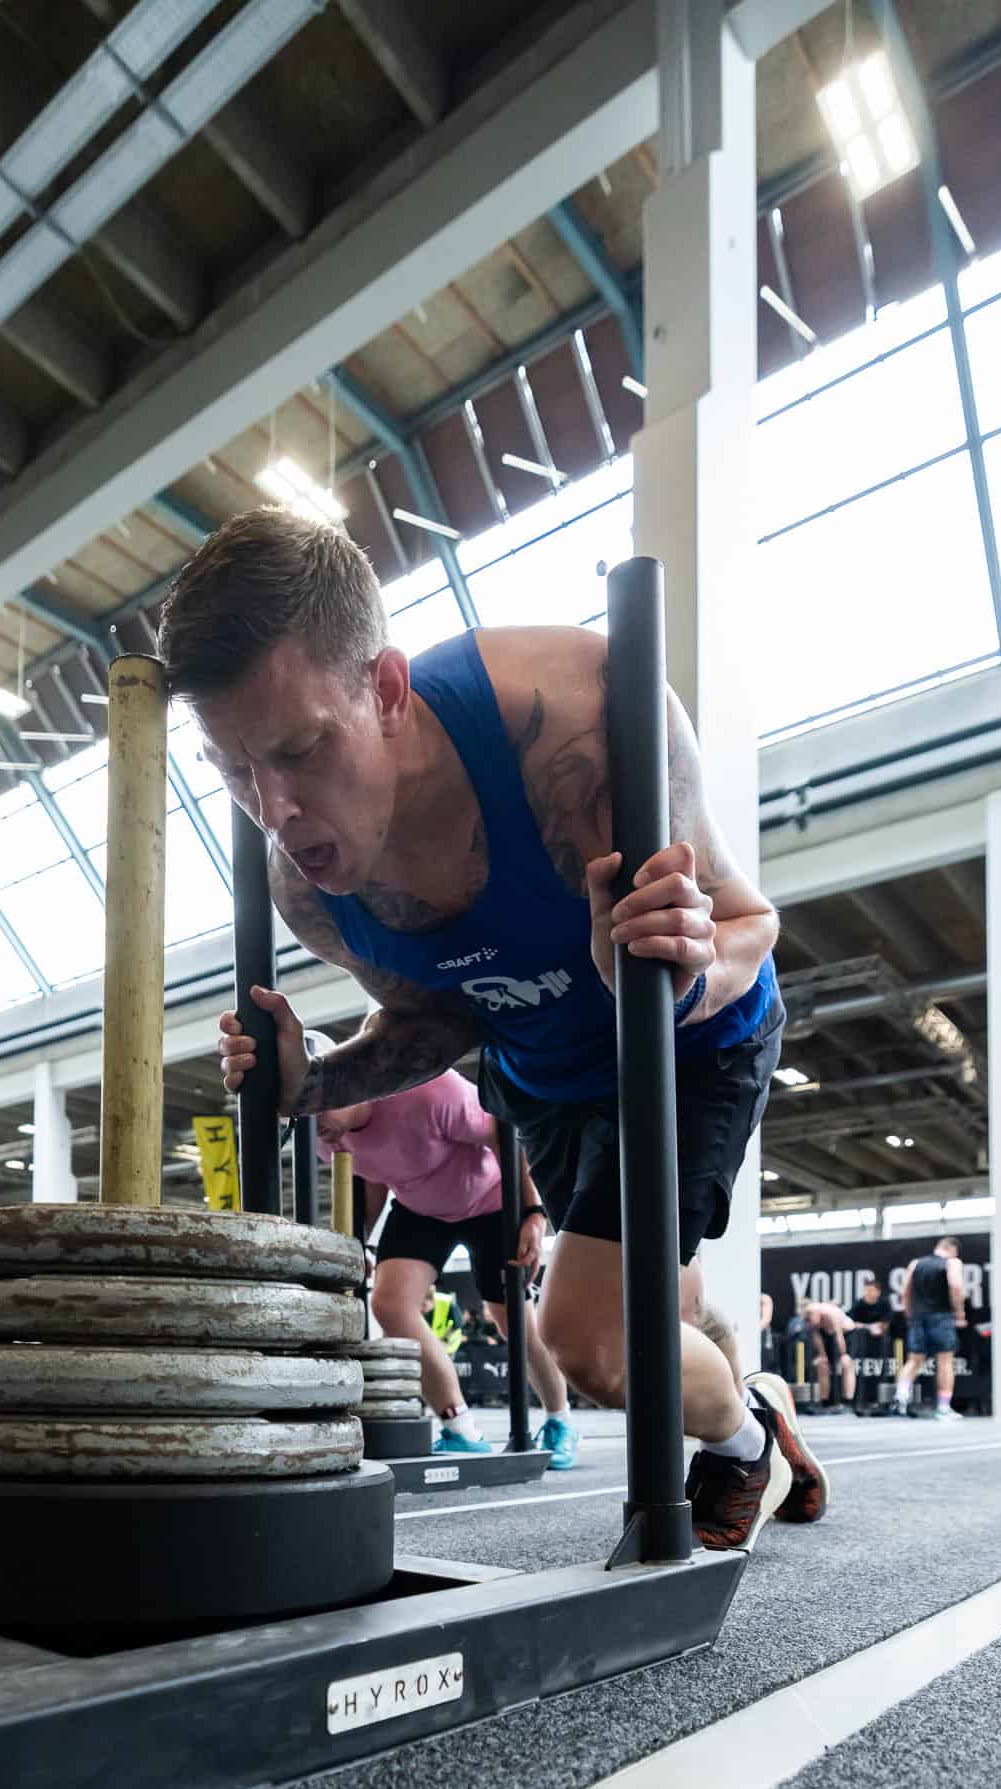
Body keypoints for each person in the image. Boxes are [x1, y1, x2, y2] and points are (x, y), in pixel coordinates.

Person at [166, 507, 825, 1548]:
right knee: (665, 1310)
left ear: (383, 689)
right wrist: (312, 1084)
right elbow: (440, 1016)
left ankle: (741, 1442)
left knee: (589, 1338)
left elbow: (752, 921)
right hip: (548, 1079)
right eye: (232, 772)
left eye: (299, 750)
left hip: (688, 1043)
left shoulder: (576, 715)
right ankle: (757, 1402)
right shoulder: (308, 889)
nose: (276, 812)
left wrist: (669, 968)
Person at [317, 1070, 580, 1468]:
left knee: (513, 1321)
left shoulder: (428, 1092)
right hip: (419, 1209)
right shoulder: (325, 1135)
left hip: (490, 1201)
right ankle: (460, 1428)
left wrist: (532, 1212)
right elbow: (373, 1176)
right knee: (389, 1305)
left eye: (318, 1116)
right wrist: (359, 1243)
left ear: (347, 1088)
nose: (314, 1130)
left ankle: (560, 1418)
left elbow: (505, 1132)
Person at [892, 1236, 966, 1421]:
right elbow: (955, 1286)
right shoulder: (953, 1262)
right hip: (941, 1316)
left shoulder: (915, 1263)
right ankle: (943, 1408)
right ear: (952, 1249)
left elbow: (905, 1292)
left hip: (918, 1317)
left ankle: (900, 1397)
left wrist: (910, 1313)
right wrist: (959, 1312)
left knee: (914, 1359)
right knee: (945, 1361)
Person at [797, 1296, 856, 1408]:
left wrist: (842, 1354)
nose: (808, 1322)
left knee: (846, 1363)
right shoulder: (810, 1320)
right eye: (807, 1320)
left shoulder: (829, 1313)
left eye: (810, 1318)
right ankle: (825, 1401)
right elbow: (817, 1338)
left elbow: (839, 1337)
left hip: (847, 1335)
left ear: (816, 1313)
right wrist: (822, 1355)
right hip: (829, 1336)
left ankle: (848, 1400)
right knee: (822, 1365)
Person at [846, 1276, 894, 1410]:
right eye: (866, 1290)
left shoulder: (884, 1304)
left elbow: (885, 1324)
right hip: (861, 1348)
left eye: (872, 1290)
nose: (869, 1293)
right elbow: (850, 1323)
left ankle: (880, 1401)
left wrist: (877, 1327)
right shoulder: (859, 1303)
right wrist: (868, 1327)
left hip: (881, 1349)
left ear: (878, 1292)